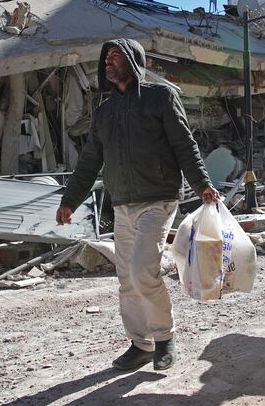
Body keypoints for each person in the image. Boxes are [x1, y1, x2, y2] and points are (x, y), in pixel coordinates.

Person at [56, 38, 219, 371]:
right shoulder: (104, 112)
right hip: (122, 205)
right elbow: (89, 160)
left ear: (133, 60)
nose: (108, 63)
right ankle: (140, 344)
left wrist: (202, 183)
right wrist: (70, 201)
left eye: (116, 57)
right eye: (106, 59)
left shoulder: (160, 97)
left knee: (142, 271)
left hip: (158, 199)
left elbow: (183, 143)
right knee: (126, 279)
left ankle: (164, 339)